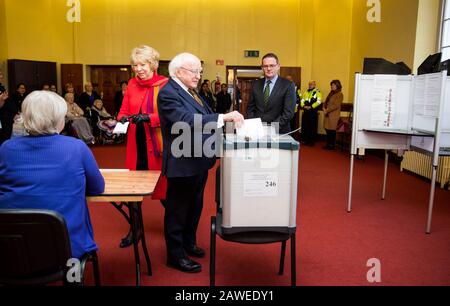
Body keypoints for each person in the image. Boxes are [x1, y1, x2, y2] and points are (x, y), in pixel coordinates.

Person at [158, 52, 244, 273]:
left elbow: (206, 115)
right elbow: (186, 122)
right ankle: (175, 256)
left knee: (194, 207)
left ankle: (188, 243)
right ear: (178, 72)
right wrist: (224, 117)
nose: (198, 75)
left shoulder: (190, 91)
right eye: (194, 71)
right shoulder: (169, 93)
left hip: (198, 160)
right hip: (182, 162)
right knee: (177, 211)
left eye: (199, 71)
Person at [0, 90, 105, 259]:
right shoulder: (76, 147)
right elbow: (97, 188)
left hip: (13, 248)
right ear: (58, 119)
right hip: (67, 248)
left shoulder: (6, 148)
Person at [116, 45, 169, 248]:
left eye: (143, 64)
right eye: (135, 65)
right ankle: (135, 228)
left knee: (165, 190)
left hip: (157, 144)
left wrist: (148, 117)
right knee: (133, 190)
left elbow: (169, 116)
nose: (138, 69)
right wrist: (119, 121)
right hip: (135, 144)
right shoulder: (131, 84)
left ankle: (174, 229)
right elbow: (123, 111)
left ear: (153, 64)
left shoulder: (165, 85)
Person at [247, 53, 296, 134]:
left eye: (272, 65)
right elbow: (250, 108)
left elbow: (288, 113)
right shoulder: (255, 84)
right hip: (258, 131)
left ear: (278, 66)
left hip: (279, 132)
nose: (268, 68)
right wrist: (254, 125)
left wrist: (272, 128)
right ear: (262, 67)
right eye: (265, 66)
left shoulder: (288, 85)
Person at [323, 79, 343, 150]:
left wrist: (327, 110)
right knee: (327, 130)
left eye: (333, 85)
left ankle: (332, 145)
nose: (332, 86)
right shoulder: (331, 93)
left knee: (332, 130)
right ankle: (328, 144)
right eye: (331, 85)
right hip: (327, 114)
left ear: (337, 86)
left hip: (333, 115)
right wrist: (324, 108)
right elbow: (326, 102)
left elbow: (336, 105)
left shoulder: (339, 94)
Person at [300, 81, 322, 146]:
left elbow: (319, 101)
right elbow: (302, 100)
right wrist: (303, 106)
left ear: (315, 85)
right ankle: (306, 140)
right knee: (305, 126)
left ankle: (311, 141)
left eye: (311, 84)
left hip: (313, 112)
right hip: (306, 111)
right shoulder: (306, 92)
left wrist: (311, 107)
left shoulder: (317, 92)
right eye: (309, 84)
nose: (310, 85)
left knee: (312, 127)